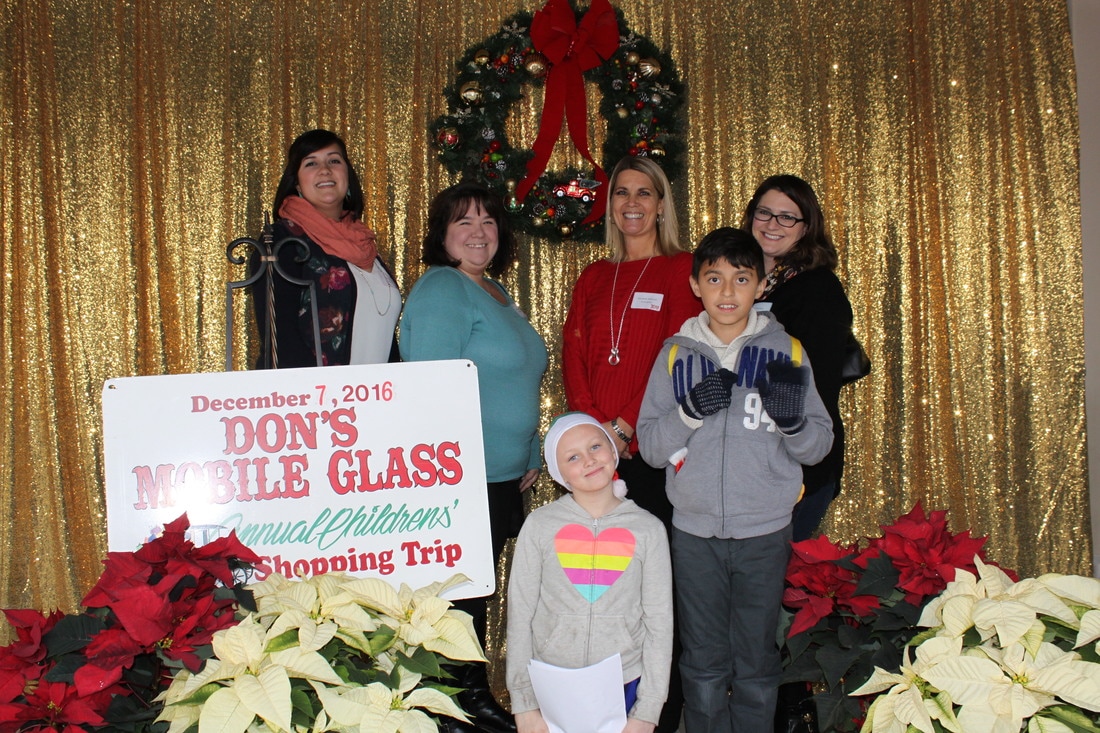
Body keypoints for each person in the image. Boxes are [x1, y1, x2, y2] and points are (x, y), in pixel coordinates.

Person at [636, 228, 833, 732]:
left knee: (756, 658)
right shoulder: (675, 354)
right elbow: (651, 447)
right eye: (714, 278)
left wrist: (792, 423)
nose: (727, 292)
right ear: (695, 285)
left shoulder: (786, 351)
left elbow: (817, 446)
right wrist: (688, 412)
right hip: (694, 532)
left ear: (761, 285)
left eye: (741, 279)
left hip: (764, 530)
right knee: (702, 660)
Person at [399, 180, 548, 733]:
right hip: (460, 473)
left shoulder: (495, 292)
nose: (478, 232)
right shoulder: (443, 287)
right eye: (463, 221)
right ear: (442, 234)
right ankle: (459, 706)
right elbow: (431, 385)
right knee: (458, 594)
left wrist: (530, 446)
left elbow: (519, 378)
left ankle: (465, 699)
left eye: (487, 221)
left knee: (473, 591)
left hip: (501, 474)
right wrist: (451, 471)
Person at [561, 157, 694, 733]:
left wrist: (625, 427)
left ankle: (660, 715)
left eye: (645, 193)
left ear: (662, 205)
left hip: (652, 456)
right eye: (621, 193)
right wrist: (595, 435)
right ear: (610, 204)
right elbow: (574, 353)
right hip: (597, 465)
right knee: (600, 597)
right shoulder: (594, 275)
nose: (632, 203)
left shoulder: (682, 269)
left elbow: (679, 355)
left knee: (658, 597)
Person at [507, 412, 673, 733]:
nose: (589, 460)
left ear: (613, 449)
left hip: (624, 684)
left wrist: (648, 710)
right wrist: (524, 703)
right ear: (559, 474)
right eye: (573, 457)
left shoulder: (648, 529)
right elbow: (520, 614)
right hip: (551, 684)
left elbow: (659, 623)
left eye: (595, 446)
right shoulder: (539, 526)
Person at [741, 174, 854, 540]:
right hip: (746, 461)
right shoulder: (737, 281)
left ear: (806, 227)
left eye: (787, 217)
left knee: (777, 569)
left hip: (798, 462)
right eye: (764, 213)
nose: (772, 224)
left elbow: (816, 386)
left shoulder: (818, 288)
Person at [251, 128, 400, 368]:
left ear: (347, 175)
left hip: (377, 390)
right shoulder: (283, 240)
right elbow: (281, 341)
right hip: (314, 391)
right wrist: (317, 390)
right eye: (311, 163)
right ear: (297, 182)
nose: (325, 170)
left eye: (334, 161)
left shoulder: (363, 241)